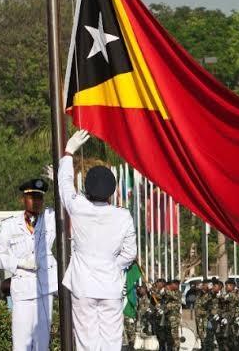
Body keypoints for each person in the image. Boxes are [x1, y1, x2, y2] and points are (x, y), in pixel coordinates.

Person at [58, 129, 137, 350]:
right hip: (110, 287)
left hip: (83, 286)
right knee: (111, 344)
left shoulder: (79, 207)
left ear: (87, 190)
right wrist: (112, 265)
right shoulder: (123, 216)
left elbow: (64, 186)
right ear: (111, 192)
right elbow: (130, 253)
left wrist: (68, 152)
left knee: (86, 344)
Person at [0, 178, 58, 351]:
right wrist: (19, 263)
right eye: (32, 197)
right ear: (23, 199)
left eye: (39, 198)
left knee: (42, 344)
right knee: (21, 344)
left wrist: (57, 179)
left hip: (44, 290)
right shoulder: (10, 225)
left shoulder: (50, 218)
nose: (36, 202)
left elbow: (68, 202)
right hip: (23, 292)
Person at [164, 280, 183, 350]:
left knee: (174, 335)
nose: (171, 286)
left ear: (176, 285)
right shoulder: (169, 293)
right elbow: (160, 296)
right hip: (168, 317)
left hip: (174, 318)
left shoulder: (178, 293)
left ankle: (176, 348)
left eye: (173, 284)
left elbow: (173, 296)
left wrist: (167, 290)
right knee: (169, 335)